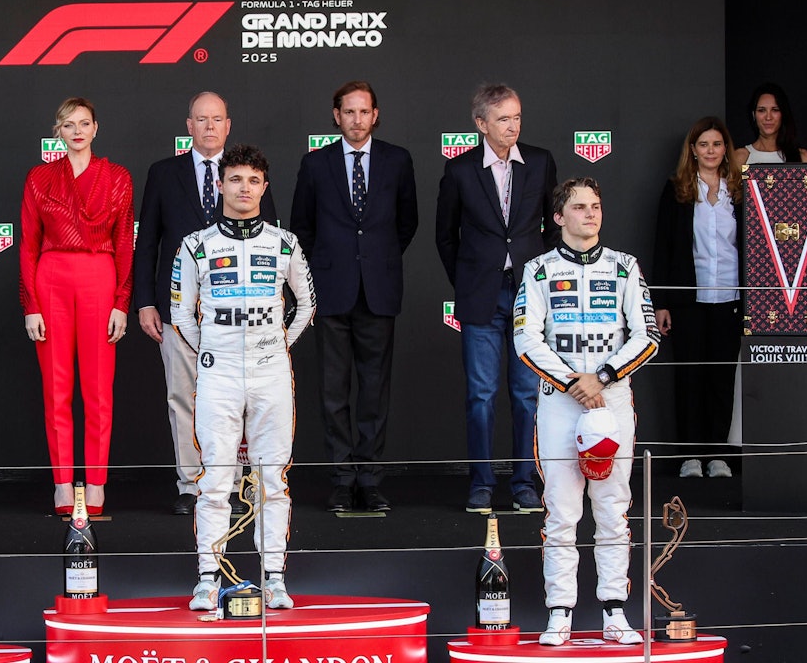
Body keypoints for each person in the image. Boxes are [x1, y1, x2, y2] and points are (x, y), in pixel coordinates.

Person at [514, 177, 659, 647]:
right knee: (561, 509)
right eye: (579, 207)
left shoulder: (625, 267)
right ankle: (561, 612)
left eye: (595, 206)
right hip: (560, 400)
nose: (590, 214)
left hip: (611, 397)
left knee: (613, 507)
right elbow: (525, 339)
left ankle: (615, 611)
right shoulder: (537, 270)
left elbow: (648, 335)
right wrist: (574, 382)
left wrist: (604, 377)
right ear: (558, 218)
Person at [172, 145, 315, 612]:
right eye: (235, 180)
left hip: (272, 372)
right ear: (220, 185)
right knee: (214, 478)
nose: (244, 189)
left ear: (264, 187)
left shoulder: (285, 242)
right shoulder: (195, 245)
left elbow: (307, 305)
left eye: (253, 181)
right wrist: (214, 352)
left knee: (273, 477)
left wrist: (277, 345)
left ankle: (273, 577)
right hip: (219, 375)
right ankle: (207, 578)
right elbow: (182, 314)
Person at [133, 92, 278, 515]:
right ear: (189, 125)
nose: (210, 126)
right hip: (176, 307)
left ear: (228, 125)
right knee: (183, 398)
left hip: (238, 308)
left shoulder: (246, 175)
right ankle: (191, 485)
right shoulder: (163, 173)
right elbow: (148, 245)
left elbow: (269, 239)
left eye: (217, 119)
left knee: (232, 400)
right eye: (201, 119)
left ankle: (229, 484)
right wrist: (145, 301)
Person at [290, 81, 418, 513]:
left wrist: (373, 261)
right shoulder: (315, 164)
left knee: (374, 392)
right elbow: (301, 228)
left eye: (364, 112)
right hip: (331, 291)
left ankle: (370, 478)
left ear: (375, 115)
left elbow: (407, 223)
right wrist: (335, 264)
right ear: (336, 115)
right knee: (333, 392)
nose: (357, 120)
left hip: (379, 292)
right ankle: (342, 478)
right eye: (349, 112)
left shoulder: (397, 160)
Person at [434, 83, 557, 514]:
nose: (512, 126)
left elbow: (554, 229)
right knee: (481, 395)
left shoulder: (540, 163)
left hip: (529, 297)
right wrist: (467, 282)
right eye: (503, 119)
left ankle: (526, 482)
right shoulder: (461, 170)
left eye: (517, 117)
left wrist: (543, 283)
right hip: (480, 296)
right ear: (481, 123)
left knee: (527, 394)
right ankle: (482, 483)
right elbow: (445, 236)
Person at [19, 98, 135, 515]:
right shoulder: (40, 177)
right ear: (59, 132)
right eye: (69, 125)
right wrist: (30, 303)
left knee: (99, 388)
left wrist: (122, 301)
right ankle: (64, 482)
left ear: (96, 128)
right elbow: (28, 242)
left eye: (84, 123)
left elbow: (124, 241)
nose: (77, 131)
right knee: (57, 388)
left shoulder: (118, 177)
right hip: (50, 277)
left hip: (100, 278)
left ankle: (97, 480)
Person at [654, 118, 743, 479]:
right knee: (689, 379)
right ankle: (689, 456)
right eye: (703, 144)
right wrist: (662, 302)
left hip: (730, 298)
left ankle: (717, 455)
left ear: (726, 150)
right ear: (692, 150)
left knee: (720, 380)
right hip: (688, 300)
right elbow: (663, 247)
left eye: (717, 144)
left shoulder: (737, 192)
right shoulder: (676, 190)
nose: (710, 151)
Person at [731, 83, 807, 166]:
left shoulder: (803, 158)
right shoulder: (740, 157)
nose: (768, 117)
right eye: (761, 110)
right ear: (753, 115)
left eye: (775, 110)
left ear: (783, 114)